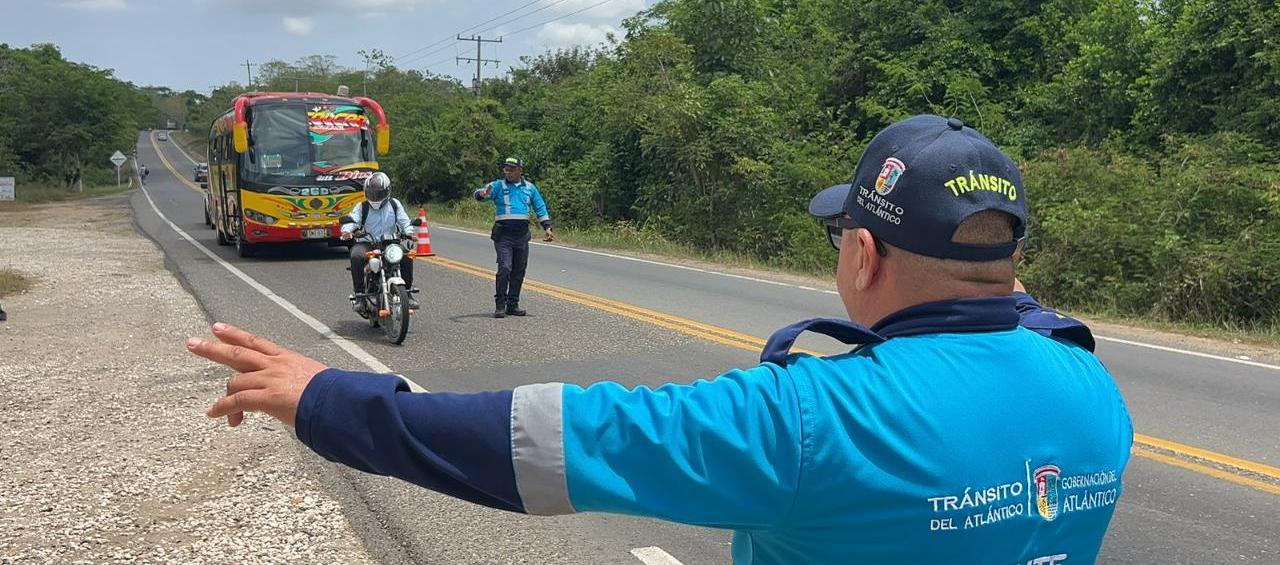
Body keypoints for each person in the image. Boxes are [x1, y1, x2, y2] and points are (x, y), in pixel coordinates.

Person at [188, 115, 1133, 564]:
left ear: (862, 254)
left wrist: (321, 394)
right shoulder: (1093, 386)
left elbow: (536, 442)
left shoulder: (812, 417)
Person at [473, 157, 553, 318]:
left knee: (518, 270)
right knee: (505, 268)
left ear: (519, 171)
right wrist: (481, 194)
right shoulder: (497, 186)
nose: (508, 173)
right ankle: (500, 304)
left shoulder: (530, 188)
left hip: (521, 235)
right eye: (506, 169)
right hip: (504, 235)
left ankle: (513, 304)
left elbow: (540, 206)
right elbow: (479, 194)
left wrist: (547, 227)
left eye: (511, 169)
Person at [341, 172, 418, 311]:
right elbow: (353, 220)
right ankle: (360, 296)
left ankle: (407, 293)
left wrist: (410, 232)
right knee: (356, 256)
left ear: (387, 191)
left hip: (390, 243)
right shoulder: (362, 207)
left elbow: (404, 220)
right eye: (372, 193)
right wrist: (347, 231)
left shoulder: (394, 205)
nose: (375, 197)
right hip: (366, 242)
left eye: (379, 193)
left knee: (406, 255)